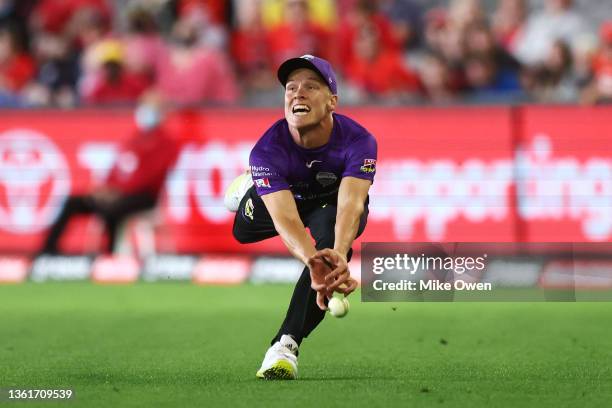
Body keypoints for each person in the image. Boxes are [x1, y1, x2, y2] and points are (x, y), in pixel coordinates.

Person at [225, 55, 377, 380]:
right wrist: (311, 261)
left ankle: (285, 344)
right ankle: (250, 186)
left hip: (330, 204)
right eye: (291, 88)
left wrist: (335, 254)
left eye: (311, 86)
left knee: (331, 253)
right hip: (285, 200)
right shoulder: (267, 150)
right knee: (242, 229)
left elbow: (351, 202)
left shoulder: (359, 140)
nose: (298, 93)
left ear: (332, 101)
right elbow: (287, 222)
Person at [41, 94, 179, 254]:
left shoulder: (166, 143)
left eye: (151, 108)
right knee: (73, 202)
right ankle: (49, 250)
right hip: (118, 194)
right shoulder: (135, 139)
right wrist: (105, 188)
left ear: (162, 113)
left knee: (111, 209)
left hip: (144, 197)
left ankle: (110, 253)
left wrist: (119, 191)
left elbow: (151, 177)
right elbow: (117, 168)